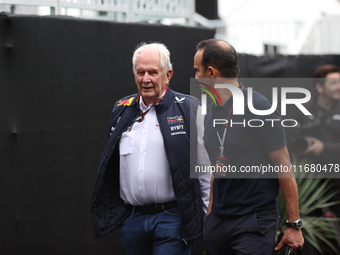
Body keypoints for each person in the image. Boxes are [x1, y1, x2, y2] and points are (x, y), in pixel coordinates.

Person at [90, 42, 210, 255]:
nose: (146, 79)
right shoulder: (121, 108)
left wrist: (207, 219)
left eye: (153, 72)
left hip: (173, 219)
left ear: (168, 74)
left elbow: (204, 167)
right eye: (140, 72)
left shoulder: (189, 108)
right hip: (132, 220)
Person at [193, 39, 304, 255]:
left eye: (197, 71)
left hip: (253, 221)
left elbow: (284, 167)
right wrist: (209, 220)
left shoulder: (259, 107)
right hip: (218, 220)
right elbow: (218, 167)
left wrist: (294, 225)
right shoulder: (210, 112)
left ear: (211, 73)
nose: (196, 77)